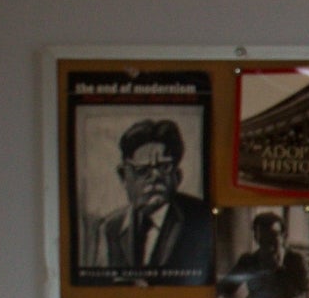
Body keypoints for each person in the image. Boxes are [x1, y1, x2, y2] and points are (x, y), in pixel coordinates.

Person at [87, 118, 214, 278]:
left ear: (177, 176)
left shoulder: (200, 218)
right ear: (123, 175)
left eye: (163, 167)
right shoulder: (110, 228)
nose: (155, 176)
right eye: (142, 169)